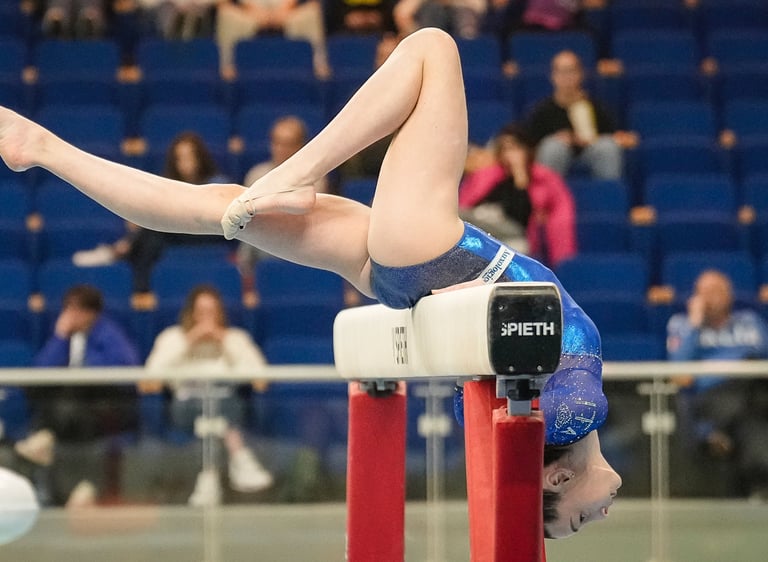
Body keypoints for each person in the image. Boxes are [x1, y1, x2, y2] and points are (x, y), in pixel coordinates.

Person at [0, 27, 620, 537]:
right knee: (216, 210)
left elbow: (518, 421)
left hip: (440, 254)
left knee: (433, 48)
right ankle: (45, 149)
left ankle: (300, 170)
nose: (601, 514)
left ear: (559, 480)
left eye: (581, 518)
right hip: (408, 276)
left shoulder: (575, 414)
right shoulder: (551, 409)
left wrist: (524, 478)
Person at [145, 285, 273, 505]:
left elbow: (261, 380)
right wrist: (190, 341)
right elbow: (149, 381)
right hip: (186, 404)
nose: (206, 318)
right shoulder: (172, 338)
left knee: (216, 410)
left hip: (226, 399)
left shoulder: (235, 338)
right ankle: (240, 457)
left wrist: (224, 342)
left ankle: (208, 479)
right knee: (211, 409)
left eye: (211, 312)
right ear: (191, 313)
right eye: (201, 312)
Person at [16, 285, 140, 505]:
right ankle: (75, 488)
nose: (72, 315)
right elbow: (40, 373)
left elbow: (126, 371)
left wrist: (87, 367)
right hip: (71, 413)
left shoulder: (109, 334)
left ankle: (46, 436)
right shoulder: (63, 337)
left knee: (73, 392)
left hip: (104, 406)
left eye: (78, 309)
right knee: (54, 396)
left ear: (93, 312)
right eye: (68, 309)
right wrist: (60, 338)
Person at [72, 131, 231, 294]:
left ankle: (121, 254)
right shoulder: (170, 185)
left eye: (190, 156)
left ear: (200, 157)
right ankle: (137, 281)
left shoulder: (218, 183)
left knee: (152, 226)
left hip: (209, 233)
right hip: (178, 233)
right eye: (180, 158)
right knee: (152, 232)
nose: (185, 163)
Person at [667, 269, 768, 497]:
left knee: (753, 408)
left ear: (730, 295)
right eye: (706, 292)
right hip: (710, 397)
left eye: (718, 291)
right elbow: (678, 376)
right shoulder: (682, 325)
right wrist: (695, 324)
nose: (713, 297)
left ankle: (710, 433)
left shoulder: (750, 322)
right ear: (696, 297)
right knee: (750, 415)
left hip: (753, 393)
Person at [459, 122, 577, 268]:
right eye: (505, 149)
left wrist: (519, 174)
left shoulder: (546, 179)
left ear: (527, 149)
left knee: (516, 246)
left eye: (515, 148)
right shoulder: (485, 175)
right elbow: (466, 208)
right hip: (483, 229)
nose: (509, 155)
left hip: (516, 234)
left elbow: (559, 219)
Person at [238, 116, 329, 304]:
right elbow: (249, 221)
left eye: (288, 143)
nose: (281, 149)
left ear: (300, 145)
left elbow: (302, 218)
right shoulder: (256, 175)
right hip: (263, 249)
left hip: (301, 249)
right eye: (277, 142)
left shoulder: (315, 178)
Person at [522, 50, 623, 180]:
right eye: (562, 72)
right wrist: (560, 139)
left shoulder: (597, 106)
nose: (567, 77)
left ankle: (609, 195)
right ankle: (549, 194)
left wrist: (585, 139)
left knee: (607, 146)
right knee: (553, 147)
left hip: (590, 152)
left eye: (572, 71)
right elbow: (530, 144)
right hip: (557, 155)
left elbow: (611, 134)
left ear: (581, 74)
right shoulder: (541, 110)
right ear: (553, 76)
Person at [215, 0, 329, 79]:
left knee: (312, 11)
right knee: (226, 13)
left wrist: (285, 11)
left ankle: (318, 62)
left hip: (287, 13)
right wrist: (255, 12)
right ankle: (227, 65)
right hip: (251, 14)